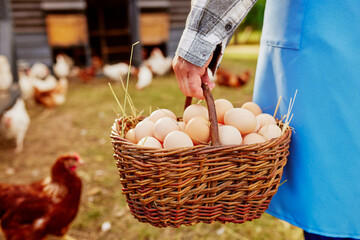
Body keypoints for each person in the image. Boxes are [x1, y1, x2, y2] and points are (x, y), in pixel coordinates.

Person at [172, 1, 360, 239]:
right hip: (327, 39)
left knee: (337, 199)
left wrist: (197, 42)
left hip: (327, 39)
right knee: (336, 192)